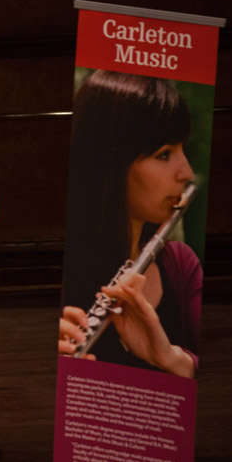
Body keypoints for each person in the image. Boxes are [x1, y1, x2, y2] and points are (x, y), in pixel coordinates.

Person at [58, 70, 201, 379]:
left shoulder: (181, 265)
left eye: (182, 150)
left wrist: (173, 360)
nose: (186, 172)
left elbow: (215, 383)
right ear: (112, 162)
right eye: (164, 154)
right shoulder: (65, 275)